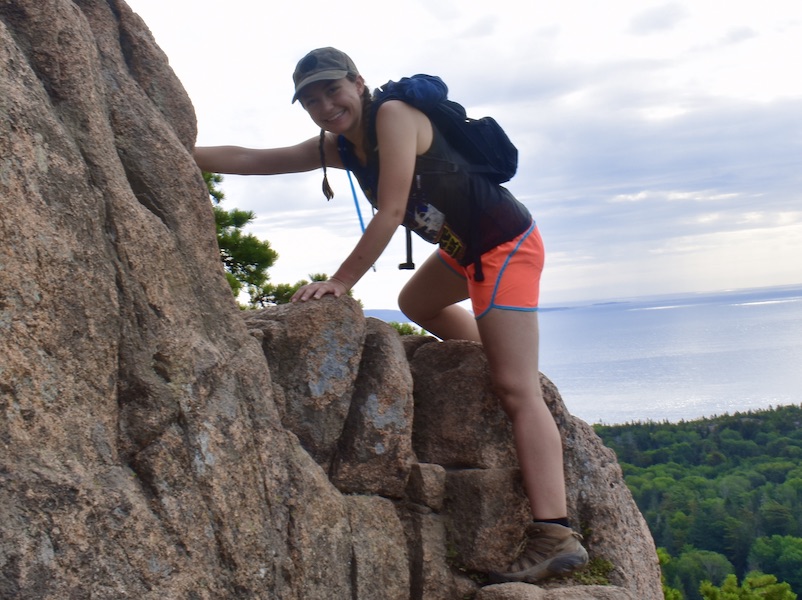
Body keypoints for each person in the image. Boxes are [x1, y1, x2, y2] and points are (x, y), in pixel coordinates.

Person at [193, 47, 588, 583]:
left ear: (359, 83)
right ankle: (497, 359)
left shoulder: (395, 117)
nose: (325, 104)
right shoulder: (346, 147)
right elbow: (254, 158)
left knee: (517, 391)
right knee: (416, 304)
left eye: (333, 89)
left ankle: (555, 533)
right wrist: (175, 144)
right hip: (463, 249)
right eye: (311, 98)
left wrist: (341, 281)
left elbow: (394, 211)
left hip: (505, 245)